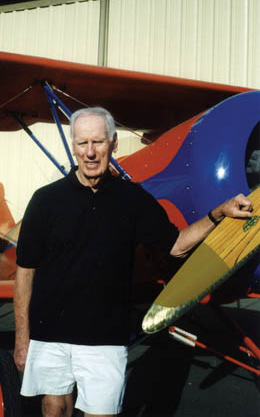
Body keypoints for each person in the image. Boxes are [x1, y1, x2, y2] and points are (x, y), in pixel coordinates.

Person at [14, 107, 253, 417]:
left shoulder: (133, 199)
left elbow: (176, 245)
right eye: (82, 143)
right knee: (53, 408)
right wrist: (22, 338)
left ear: (113, 144)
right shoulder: (45, 200)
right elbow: (25, 270)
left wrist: (218, 213)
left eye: (98, 142)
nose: (90, 152)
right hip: (50, 333)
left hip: (106, 336)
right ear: (73, 146)